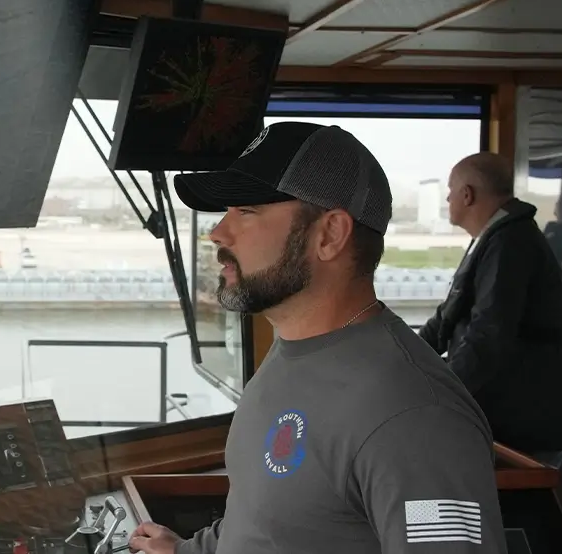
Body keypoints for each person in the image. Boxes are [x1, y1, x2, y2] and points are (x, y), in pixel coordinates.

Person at [129, 122, 504, 554]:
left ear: (329, 235)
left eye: (246, 211)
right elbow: (268, 524)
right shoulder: (289, 355)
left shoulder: (416, 416)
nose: (218, 232)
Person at [419, 152, 562, 457]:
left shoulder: (510, 242)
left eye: (450, 190)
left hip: (529, 410)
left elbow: (488, 333)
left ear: (467, 195)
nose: (447, 198)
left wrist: (442, 395)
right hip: (516, 403)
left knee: (518, 502)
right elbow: (449, 315)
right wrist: (404, 357)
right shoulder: (492, 237)